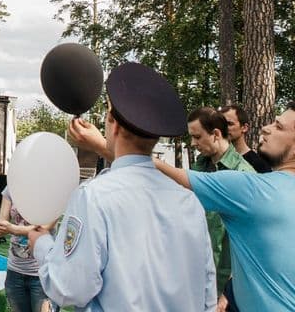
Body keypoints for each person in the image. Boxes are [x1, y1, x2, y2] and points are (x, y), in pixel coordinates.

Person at [29, 62, 216, 312]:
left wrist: (41, 244)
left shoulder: (93, 197)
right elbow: (207, 291)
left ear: (112, 124)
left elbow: (70, 289)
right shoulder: (189, 201)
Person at [155, 101, 295, 311]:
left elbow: (165, 175)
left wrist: (114, 144)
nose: (266, 127)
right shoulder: (203, 166)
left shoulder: (251, 186)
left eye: (279, 126)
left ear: (216, 134)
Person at [187, 106, 254, 305]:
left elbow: (251, 241)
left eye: (197, 137)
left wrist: (229, 292)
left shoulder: (245, 176)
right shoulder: (200, 167)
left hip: (224, 289)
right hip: (195, 278)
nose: (193, 143)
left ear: (216, 134)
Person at [0, 185, 55, 312]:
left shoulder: (52, 188)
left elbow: (43, 227)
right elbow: (2, 222)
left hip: (42, 274)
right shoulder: (13, 185)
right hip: (15, 271)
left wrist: (11, 229)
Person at [219, 104, 271, 173]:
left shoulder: (259, 164)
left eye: (229, 124)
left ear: (244, 128)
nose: (224, 128)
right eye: (221, 124)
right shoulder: (211, 160)